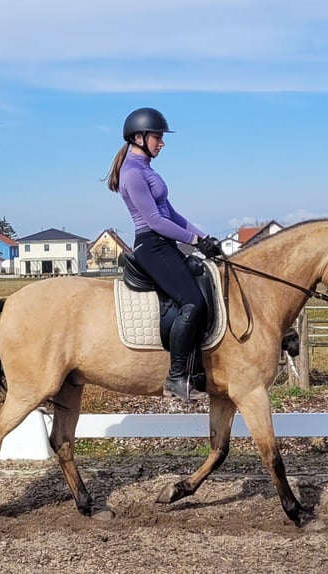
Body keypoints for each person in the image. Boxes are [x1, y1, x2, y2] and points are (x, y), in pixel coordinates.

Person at [105, 107, 223, 401]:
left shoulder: (147, 170)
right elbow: (156, 222)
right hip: (151, 245)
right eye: (157, 137)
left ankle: (198, 371)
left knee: (203, 285)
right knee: (192, 302)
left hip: (165, 244)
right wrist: (195, 239)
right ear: (139, 136)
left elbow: (172, 214)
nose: (162, 143)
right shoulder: (131, 173)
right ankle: (176, 376)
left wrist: (204, 238)